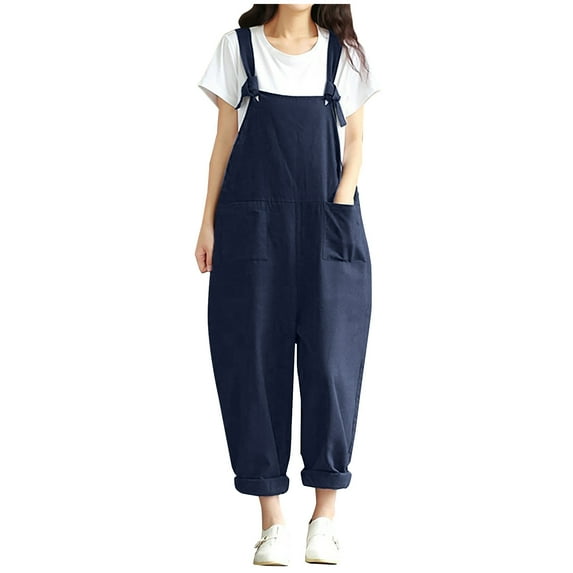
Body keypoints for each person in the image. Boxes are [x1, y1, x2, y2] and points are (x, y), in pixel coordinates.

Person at [195, 4, 380, 566]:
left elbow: (356, 143)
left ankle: (324, 519)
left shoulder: (343, 55)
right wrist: (207, 222)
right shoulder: (238, 48)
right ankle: (272, 523)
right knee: (252, 363)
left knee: (332, 366)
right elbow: (225, 140)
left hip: (328, 224)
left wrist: (339, 203)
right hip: (251, 226)